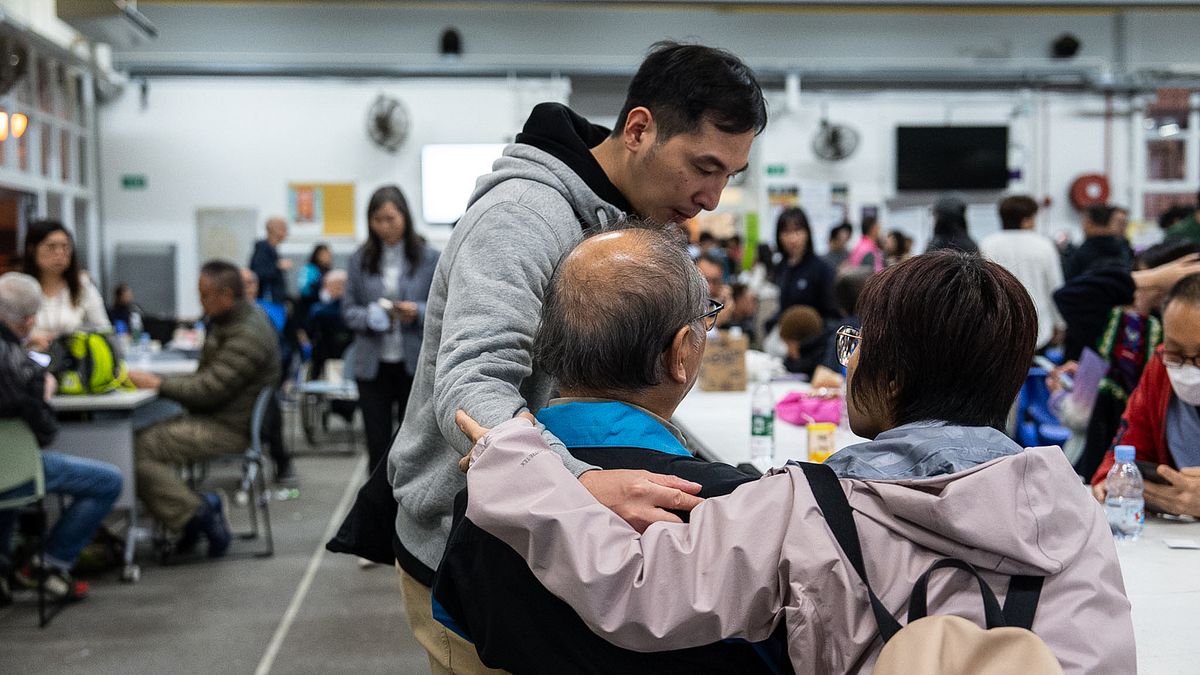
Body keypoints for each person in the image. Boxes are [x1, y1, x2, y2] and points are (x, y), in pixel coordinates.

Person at [460, 251, 1134, 674]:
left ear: (891, 380)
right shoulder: (1072, 507)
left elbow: (635, 588)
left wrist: (521, 460)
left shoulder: (802, 505)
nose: (848, 360)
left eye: (857, 346)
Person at [328, 41, 767, 675]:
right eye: (704, 167)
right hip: (469, 551)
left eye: (729, 175)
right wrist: (578, 482)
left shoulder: (618, 217)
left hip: (542, 534)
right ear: (640, 129)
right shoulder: (522, 216)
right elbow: (474, 385)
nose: (712, 198)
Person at [433, 220, 775, 674]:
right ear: (679, 354)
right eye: (704, 322)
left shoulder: (488, 501)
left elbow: (462, 621)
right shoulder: (729, 510)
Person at [125, 261, 280, 557]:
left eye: (204, 295)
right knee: (136, 442)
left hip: (228, 428)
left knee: (135, 450)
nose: (201, 302)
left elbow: (207, 390)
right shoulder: (236, 322)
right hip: (221, 418)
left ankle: (197, 515)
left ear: (224, 295)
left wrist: (157, 383)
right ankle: (191, 513)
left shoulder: (247, 334)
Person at [0, 272, 122, 603]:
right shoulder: (24, 370)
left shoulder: (16, 357)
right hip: (15, 471)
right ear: (28, 321)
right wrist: (44, 391)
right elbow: (47, 434)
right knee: (108, 482)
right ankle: (49, 563)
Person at [1053, 243, 1200, 478]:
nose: (1186, 366)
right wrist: (1152, 277)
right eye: (1176, 354)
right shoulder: (1136, 340)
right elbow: (1071, 296)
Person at [342, 186, 439, 475]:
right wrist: (370, 317)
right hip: (373, 365)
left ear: (405, 217)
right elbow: (348, 311)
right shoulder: (359, 259)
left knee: (412, 442)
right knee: (377, 443)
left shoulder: (429, 257)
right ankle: (377, 511)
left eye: (390, 218)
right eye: (377, 220)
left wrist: (417, 312)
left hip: (413, 363)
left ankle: (406, 503)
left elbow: (441, 306)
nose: (385, 226)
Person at [1091, 273, 1200, 517]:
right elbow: (1127, 449)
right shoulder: (1160, 368)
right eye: (1175, 352)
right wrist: (1113, 482)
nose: (1188, 368)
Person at [980, 195, 1065, 351]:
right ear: (1026, 220)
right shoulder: (1043, 245)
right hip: (1039, 327)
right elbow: (1055, 287)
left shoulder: (988, 243)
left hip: (999, 326)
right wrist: (1059, 323)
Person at [21, 221, 110, 353]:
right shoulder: (19, 287)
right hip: (28, 364)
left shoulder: (82, 285)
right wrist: (27, 339)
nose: (59, 253)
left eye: (65, 247)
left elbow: (104, 329)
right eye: (51, 247)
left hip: (74, 364)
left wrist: (76, 340)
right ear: (32, 249)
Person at [771, 207, 837, 322]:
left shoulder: (822, 269)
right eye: (786, 232)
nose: (793, 239)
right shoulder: (782, 267)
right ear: (779, 236)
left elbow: (833, 315)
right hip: (787, 335)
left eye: (797, 231)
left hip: (816, 335)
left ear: (807, 232)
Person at [1063, 204, 1134, 280]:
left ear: (1089, 222)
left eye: (1084, 220)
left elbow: (1069, 283)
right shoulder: (1123, 250)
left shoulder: (1083, 254)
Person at [307, 269, 352, 381]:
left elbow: (310, 331)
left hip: (331, 359)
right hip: (333, 361)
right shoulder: (356, 311)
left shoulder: (319, 311)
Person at [249, 216, 291, 302]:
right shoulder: (263, 248)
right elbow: (258, 272)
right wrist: (278, 266)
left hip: (275, 299)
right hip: (267, 300)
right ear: (272, 229)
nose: (286, 232)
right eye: (283, 228)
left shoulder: (272, 248)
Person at [696, 252, 734, 328]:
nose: (710, 287)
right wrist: (718, 320)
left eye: (715, 281)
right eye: (704, 280)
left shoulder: (720, 300)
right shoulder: (683, 302)